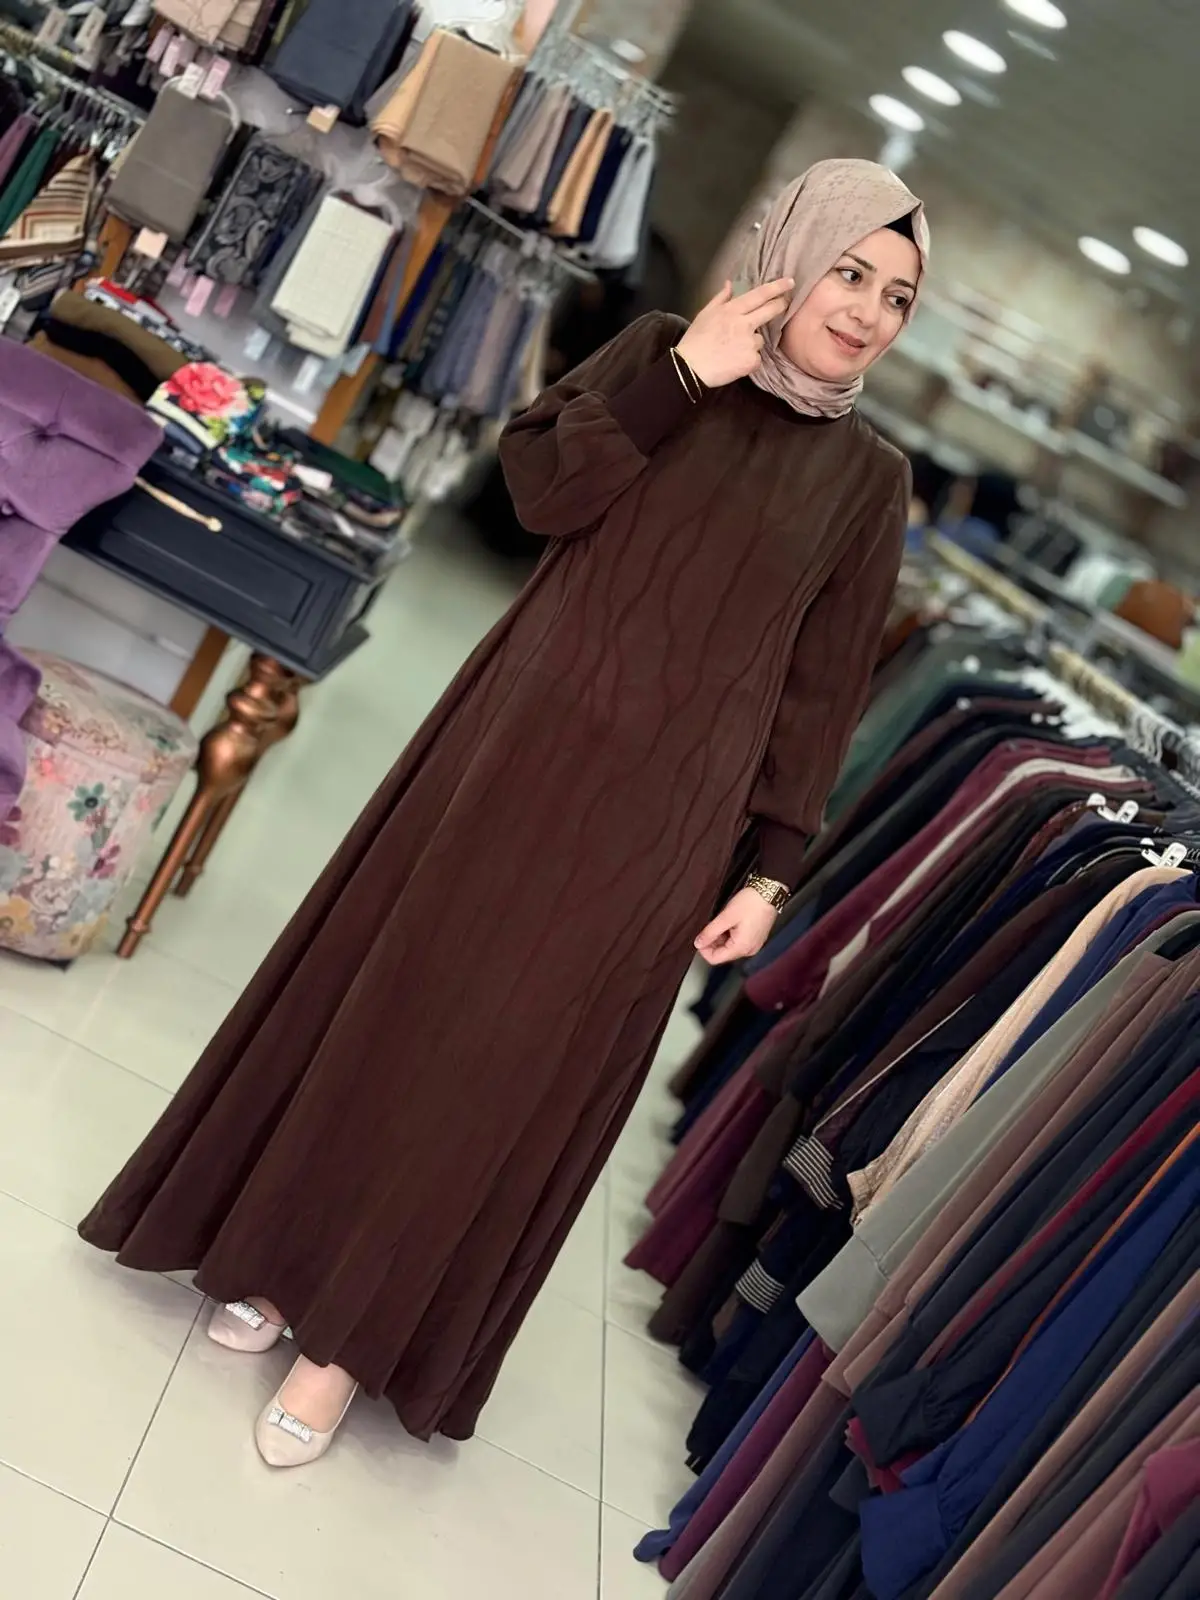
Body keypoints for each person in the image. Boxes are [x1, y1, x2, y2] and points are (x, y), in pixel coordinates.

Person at [79, 158, 929, 1467]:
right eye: (853, 273)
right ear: (795, 256)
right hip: (512, 746)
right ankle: (285, 1260)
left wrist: (770, 870)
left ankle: (349, 1343)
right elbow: (538, 494)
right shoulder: (663, 352)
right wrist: (685, 375)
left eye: (898, 297)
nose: (867, 311)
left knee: (500, 1061)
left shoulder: (869, 479)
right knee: (401, 1000)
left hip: (666, 815)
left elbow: (823, 687)